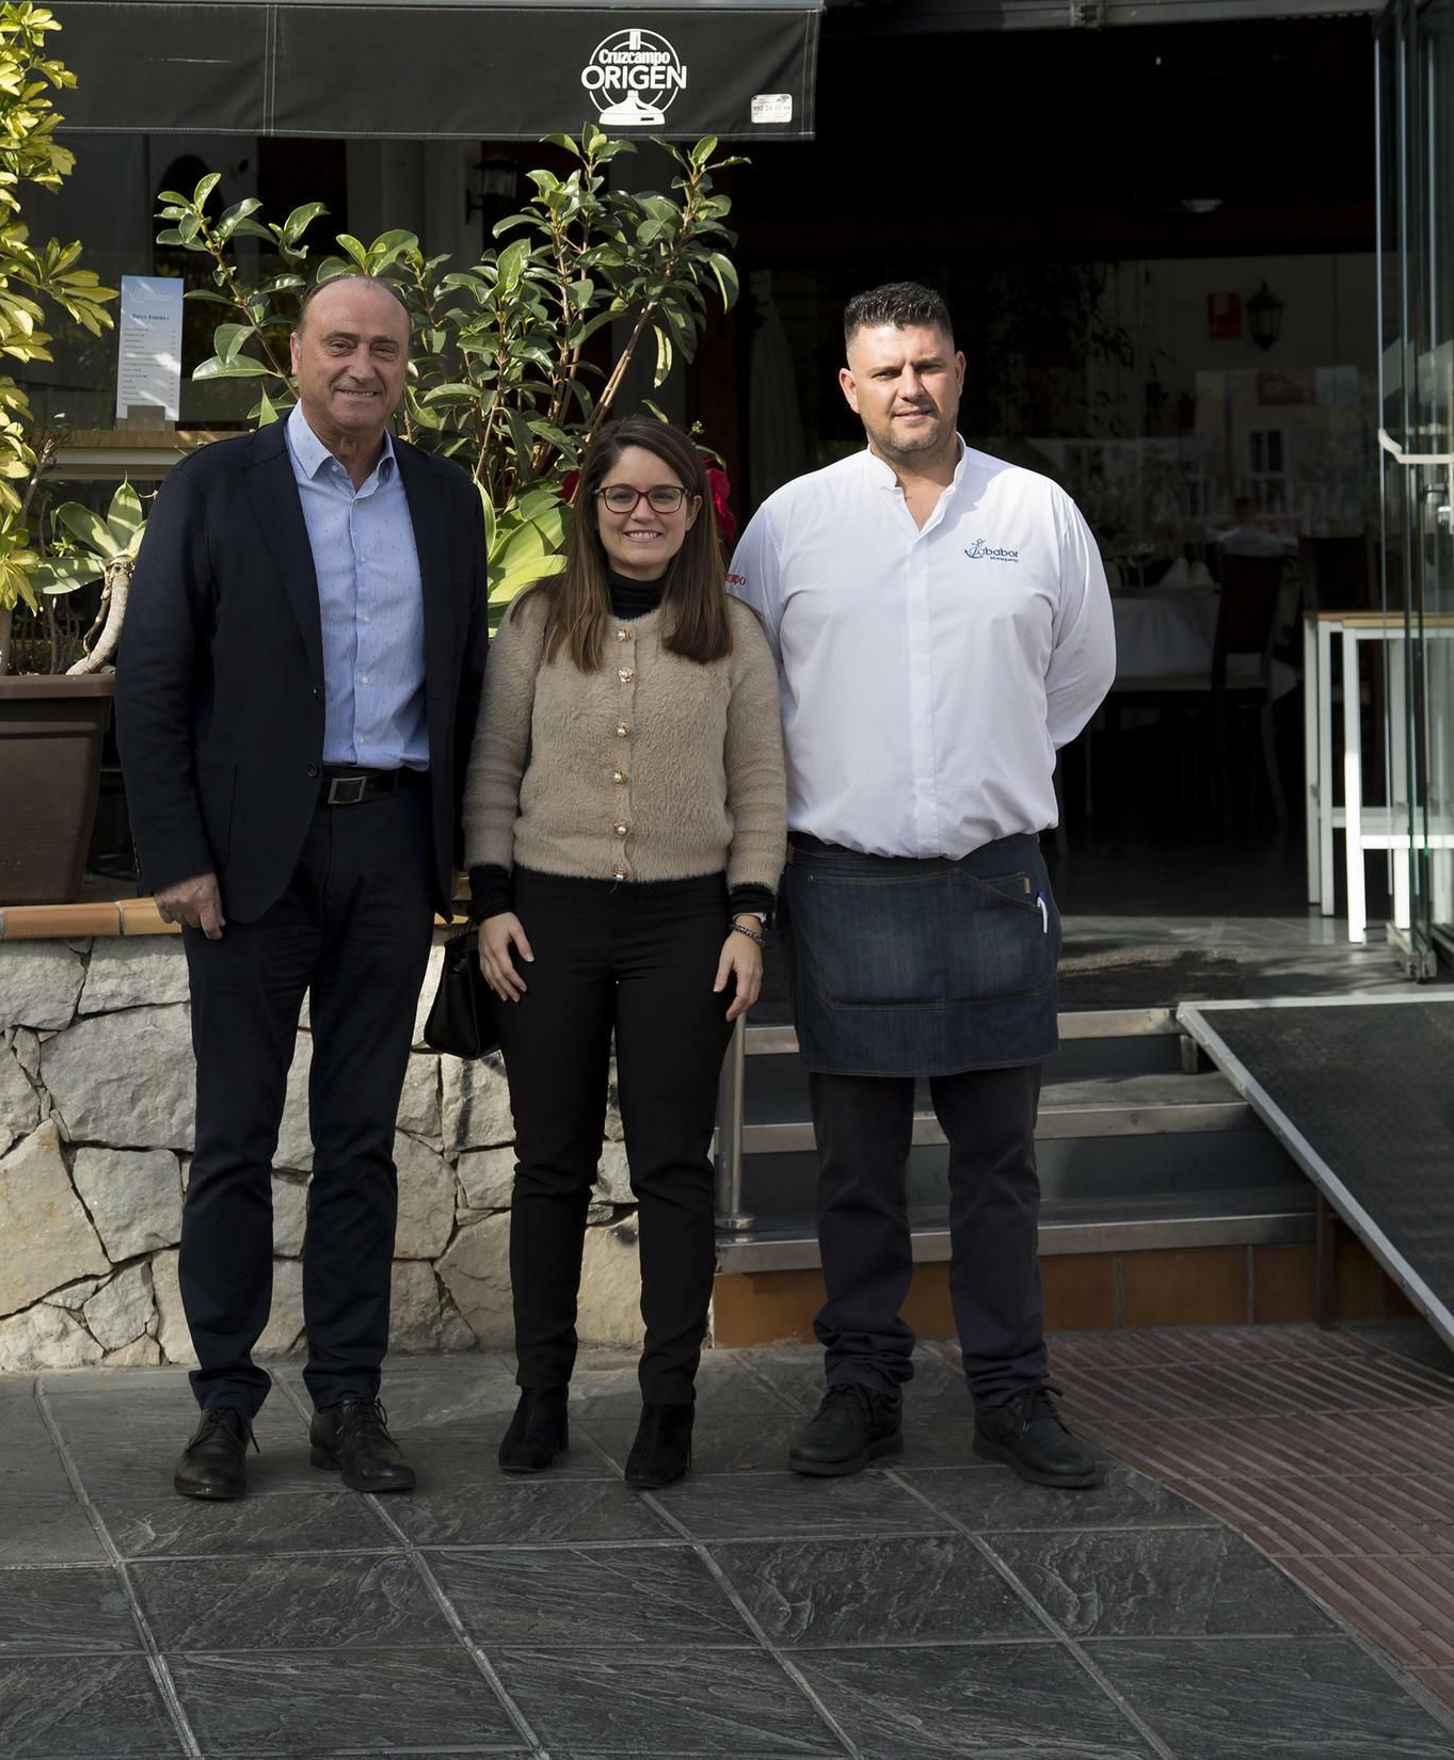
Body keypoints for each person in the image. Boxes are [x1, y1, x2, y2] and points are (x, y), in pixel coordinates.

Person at [729, 281, 1115, 1488]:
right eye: (886, 370)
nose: (911, 387)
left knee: (999, 1166)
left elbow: (1076, 682)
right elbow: (751, 703)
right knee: (855, 1168)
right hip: (844, 886)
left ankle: (1011, 1390)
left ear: (959, 374)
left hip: (994, 884)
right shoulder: (789, 525)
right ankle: (863, 1384)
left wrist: (970, 776)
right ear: (846, 388)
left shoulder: (1037, 511)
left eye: (930, 365)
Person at [116, 275, 487, 1503]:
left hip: (389, 851)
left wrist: (461, 864)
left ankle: (347, 1397)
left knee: (359, 1144)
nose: (362, 366)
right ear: (295, 355)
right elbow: (153, 684)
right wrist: (175, 855)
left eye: (384, 348)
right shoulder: (214, 488)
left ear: (405, 366)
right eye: (341, 344)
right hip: (248, 866)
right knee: (231, 1139)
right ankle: (225, 1404)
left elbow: (467, 688)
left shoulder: (444, 499)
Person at [464, 416, 786, 1490]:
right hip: (545, 923)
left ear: (694, 514)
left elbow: (760, 791)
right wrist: (491, 906)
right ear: (588, 511)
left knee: (672, 1170)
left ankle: (667, 1406)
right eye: (618, 496)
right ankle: (540, 1397)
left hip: (685, 928)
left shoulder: (734, 636)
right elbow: (493, 770)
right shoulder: (539, 624)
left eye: (661, 496)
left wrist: (748, 921)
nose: (639, 513)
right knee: (549, 1167)